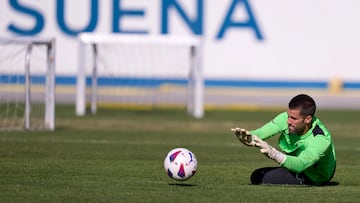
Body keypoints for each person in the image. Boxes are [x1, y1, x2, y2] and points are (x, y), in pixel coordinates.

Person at [231, 94, 336, 185]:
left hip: (315, 175)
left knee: (259, 177)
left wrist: (274, 154)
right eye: (288, 116)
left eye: (294, 119)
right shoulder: (286, 118)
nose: (288, 121)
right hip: (297, 164)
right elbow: (261, 133)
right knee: (258, 175)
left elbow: (300, 164)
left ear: (308, 119)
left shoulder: (321, 139)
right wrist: (249, 137)